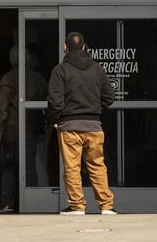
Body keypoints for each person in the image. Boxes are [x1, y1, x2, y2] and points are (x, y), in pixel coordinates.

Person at [47, 32, 117, 215]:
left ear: (65, 47)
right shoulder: (97, 68)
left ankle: (77, 206)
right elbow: (109, 97)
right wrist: (93, 107)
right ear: (84, 46)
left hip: (70, 126)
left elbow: (55, 101)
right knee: (97, 166)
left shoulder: (60, 70)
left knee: (72, 168)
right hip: (94, 126)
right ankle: (107, 206)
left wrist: (54, 120)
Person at [0, 46, 47, 213]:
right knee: (30, 166)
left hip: (12, 128)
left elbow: (2, 105)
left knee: (8, 166)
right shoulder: (39, 78)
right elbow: (46, 101)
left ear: (12, 59)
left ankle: (7, 202)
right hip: (32, 127)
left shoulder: (9, 78)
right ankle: (33, 201)